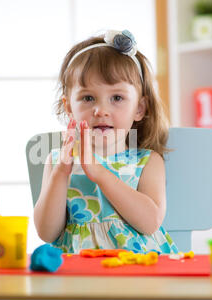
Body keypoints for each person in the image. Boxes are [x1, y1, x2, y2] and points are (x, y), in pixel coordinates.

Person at [34, 30, 179, 254]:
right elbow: (46, 232)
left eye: (117, 98)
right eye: (88, 98)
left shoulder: (147, 162)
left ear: (139, 108)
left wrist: (99, 173)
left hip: (136, 272)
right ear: (69, 107)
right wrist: (61, 174)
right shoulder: (57, 161)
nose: (101, 111)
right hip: (76, 277)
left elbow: (150, 222)